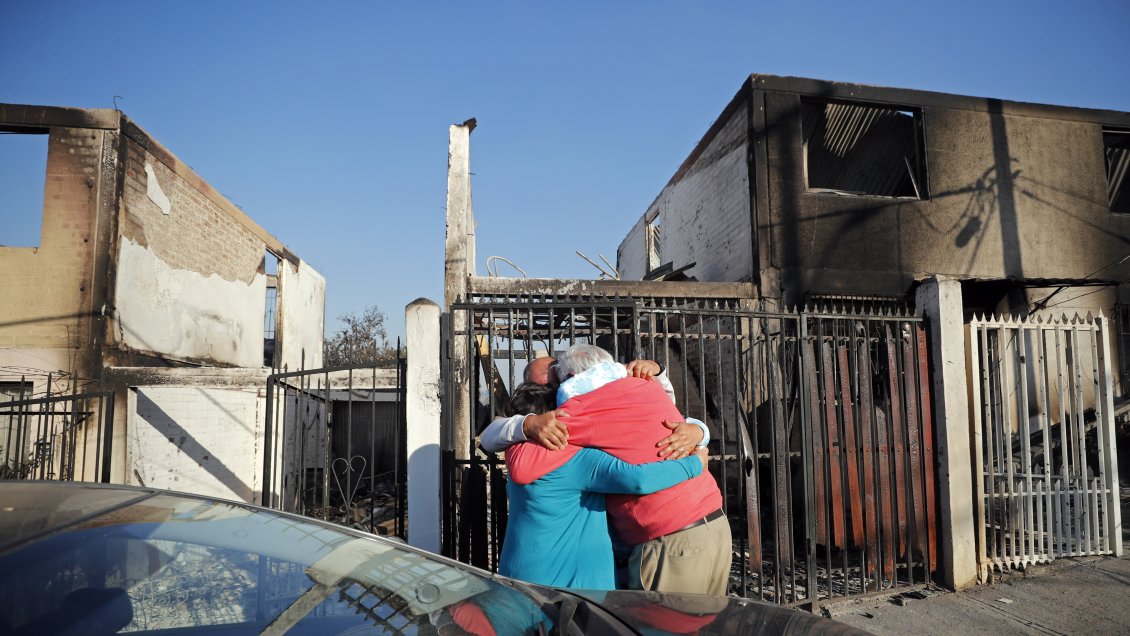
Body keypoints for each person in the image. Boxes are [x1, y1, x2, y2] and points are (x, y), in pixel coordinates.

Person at [499, 345, 733, 596]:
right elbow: (669, 419)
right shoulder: (648, 388)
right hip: (715, 524)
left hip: (672, 540)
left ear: (568, 380)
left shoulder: (581, 411)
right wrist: (700, 433)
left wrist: (525, 427)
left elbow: (522, 466)